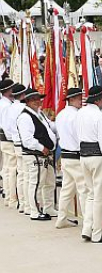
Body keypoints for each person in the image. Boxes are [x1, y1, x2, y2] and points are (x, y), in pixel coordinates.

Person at [78, 84, 102, 244]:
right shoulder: (100, 117)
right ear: (99, 100)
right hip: (98, 157)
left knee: (90, 195)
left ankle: (87, 229)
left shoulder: (80, 113)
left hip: (83, 155)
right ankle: (97, 233)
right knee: (99, 196)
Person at [18, 89, 58, 221]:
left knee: (49, 182)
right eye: (33, 99)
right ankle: (34, 210)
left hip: (45, 155)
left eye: (38, 98)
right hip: (36, 154)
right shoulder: (25, 117)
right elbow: (27, 139)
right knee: (36, 183)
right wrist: (42, 148)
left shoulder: (39, 113)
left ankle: (48, 207)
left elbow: (50, 126)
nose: (37, 101)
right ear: (27, 101)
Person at [55, 86, 87, 230]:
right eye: (79, 98)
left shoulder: (61, 114)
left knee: (67, 189)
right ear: (71, 99)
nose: (81, 100)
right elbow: (80, 137)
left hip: (66, 155)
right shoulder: (77, 115)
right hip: (76, 155)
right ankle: (88, 220)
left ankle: (61, 218)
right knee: (83, 190)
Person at [8, 82, 31, 215]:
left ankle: (22, 203)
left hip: (15, 141)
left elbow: (7, 125)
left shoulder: (11, 108)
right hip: (24, 142)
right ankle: (27, 204)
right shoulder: (24, 108)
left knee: (21, 174)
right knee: (27, 175)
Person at [0, 78, 19, 210]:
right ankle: (12, 198)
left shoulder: (3, 103)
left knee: (7, 169)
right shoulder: (7, 106)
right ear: (8, 91)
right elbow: (7, 126)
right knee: (11, 170)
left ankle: (8, 196)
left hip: (4, 138)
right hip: (8, 139)